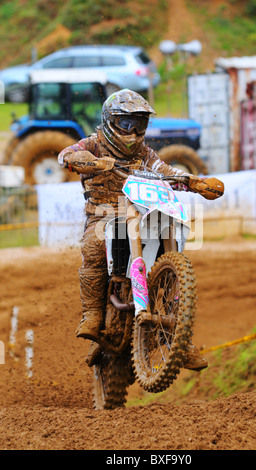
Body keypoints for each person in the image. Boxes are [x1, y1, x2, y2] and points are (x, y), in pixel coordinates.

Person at [58, 88, 224, 372]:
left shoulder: (145, 153)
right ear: (111, 121)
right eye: (127, 123)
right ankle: (93, 314)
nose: (134, 131)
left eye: (141, 124)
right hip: (104, 214)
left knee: (171, 235)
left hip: (142, 212)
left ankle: (180, 337)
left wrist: (194, 182)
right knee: (94, 245)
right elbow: (66, 156)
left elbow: (166, 170)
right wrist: (92, 163)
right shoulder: (95, 144)